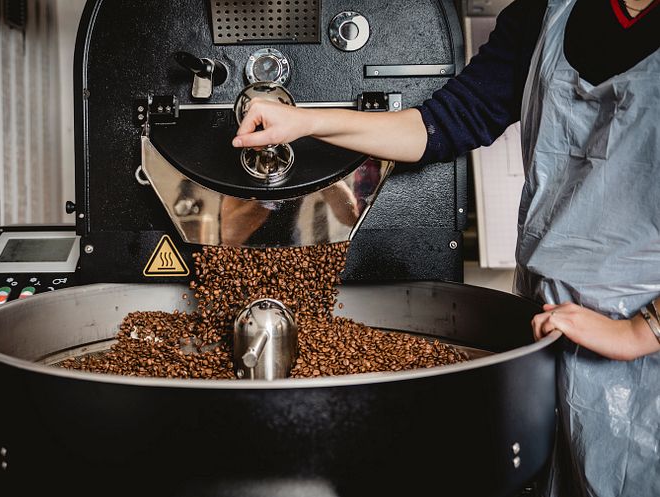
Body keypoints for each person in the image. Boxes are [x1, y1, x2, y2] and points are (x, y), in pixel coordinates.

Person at [232, 0, 660, 495]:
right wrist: (304, 122)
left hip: (644, 362)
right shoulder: (547, 12)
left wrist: (640, 330)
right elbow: (443, 123)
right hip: (550, 324)